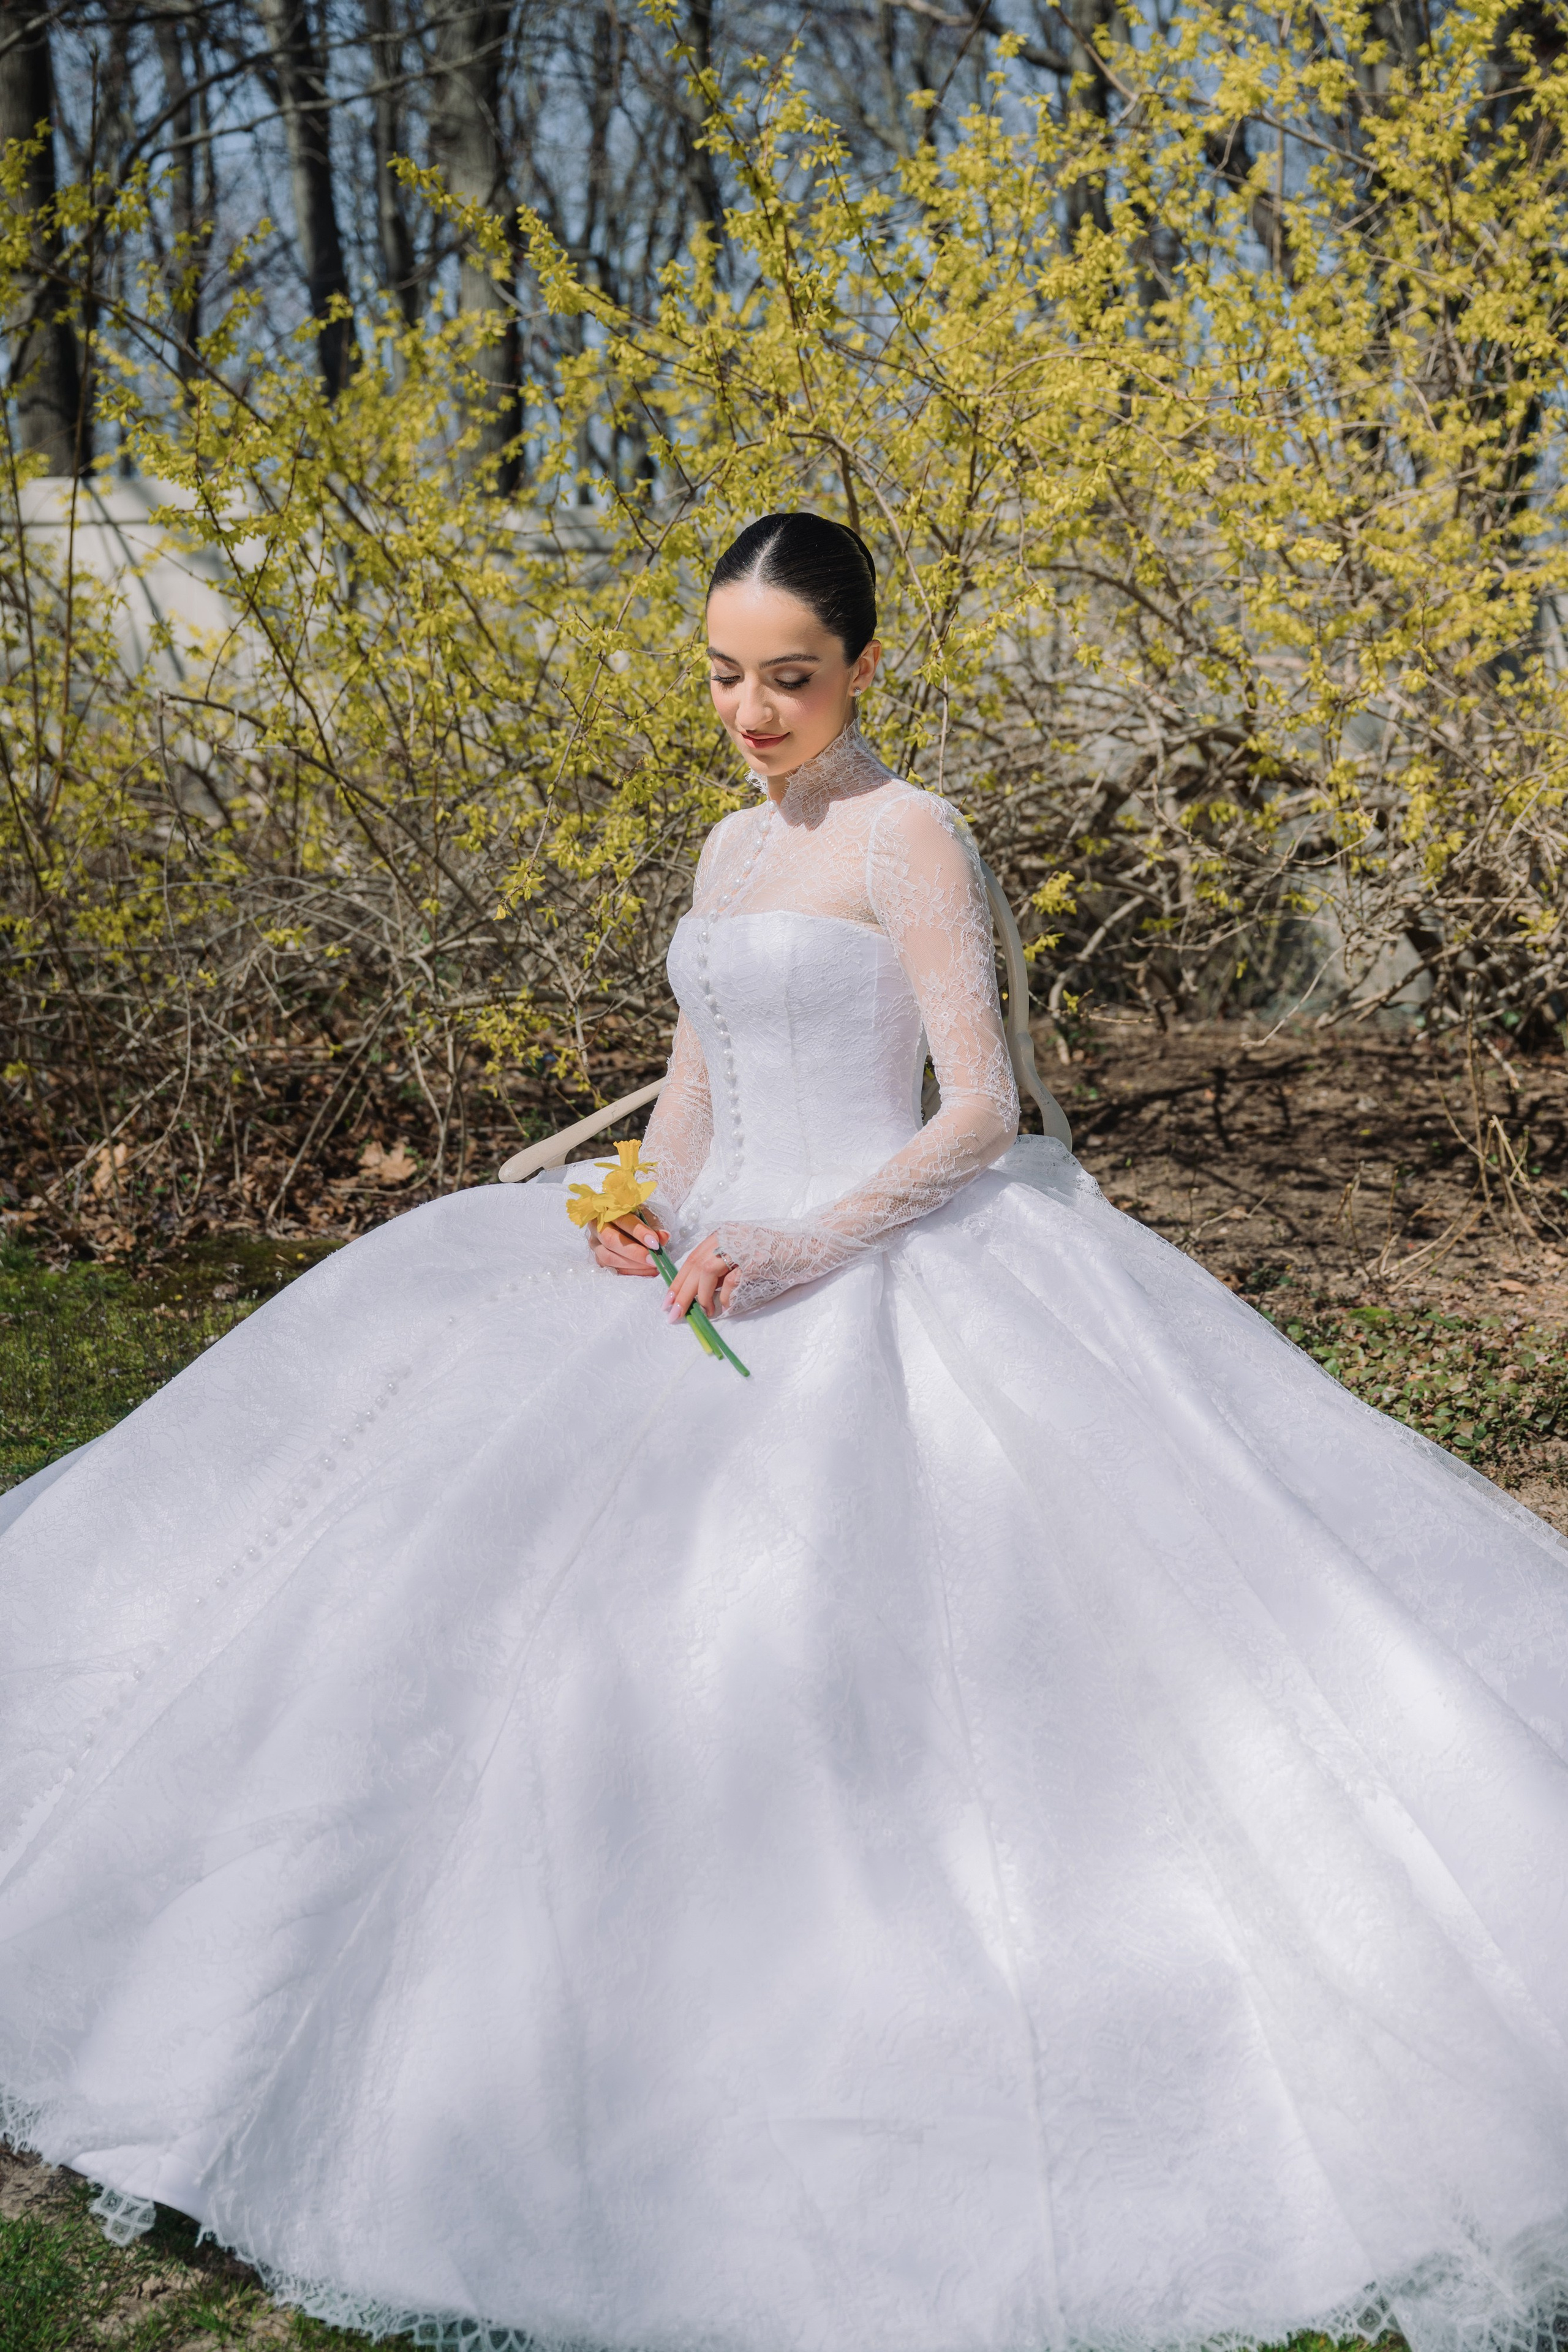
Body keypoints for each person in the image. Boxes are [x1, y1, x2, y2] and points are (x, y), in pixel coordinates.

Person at [2, 510, 1567, 2352]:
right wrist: (642, 1212)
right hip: (706, 1260)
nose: (753, 712)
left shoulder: (913, 834)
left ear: (864, 670)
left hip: (877, 1253)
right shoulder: (728, 844)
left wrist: (812, 1240)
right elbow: (693, 1100)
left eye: (790, 678)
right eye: (728, 674)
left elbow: (978, 1110)